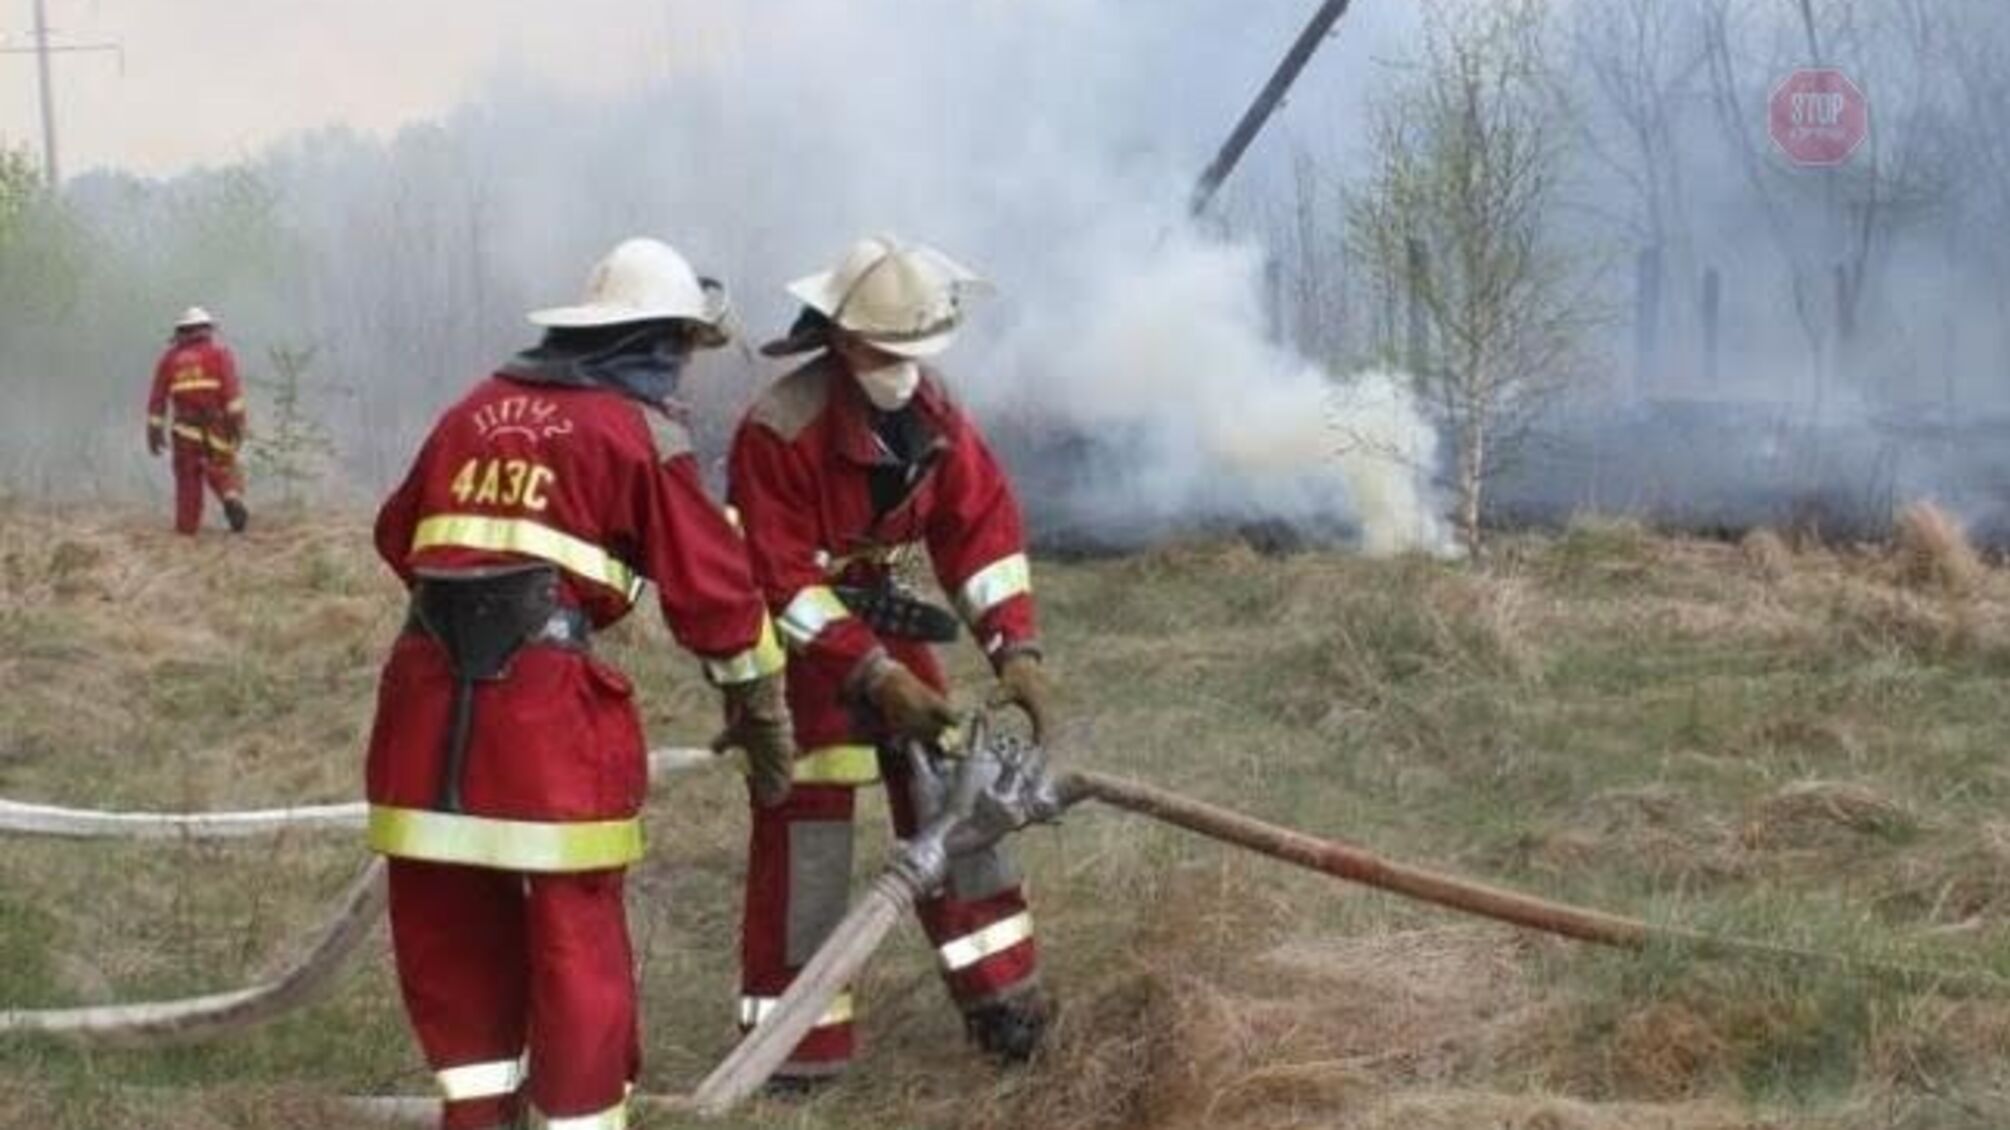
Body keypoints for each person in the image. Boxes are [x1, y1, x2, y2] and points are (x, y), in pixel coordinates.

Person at [363, 237, 794, 1130]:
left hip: (421, 721)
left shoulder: (472, 409)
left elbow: (399, 535)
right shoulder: (639, 434)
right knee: (575, 948)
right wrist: (759, 709)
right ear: (656, 341)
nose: (682, 372)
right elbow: (718, 596)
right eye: (681, 349)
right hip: (545, 730)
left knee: (452, 948)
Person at [726, 234, 1059, 1086]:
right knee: (810, 844)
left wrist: (1011, 643)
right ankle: (799, 1050)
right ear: (840, 341)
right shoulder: (780, 429)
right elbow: (781, 580)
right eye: (887, 352)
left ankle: (1005, 1003)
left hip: (888, 616)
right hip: (802, 645)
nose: (905, 370)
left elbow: (979, 530)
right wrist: (872, 674)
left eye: (917, 352)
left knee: (960, 802)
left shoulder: (934, 413)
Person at [145, 306, 249, 534]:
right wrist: (239, 425)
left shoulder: (169, 360)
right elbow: (232, 394)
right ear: (207, 330)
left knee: (188, 481)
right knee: (222, 468)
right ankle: (231, 498)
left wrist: (154, 431)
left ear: (181, 332)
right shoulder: (220, 354)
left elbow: (157, 399)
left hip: (184, 430)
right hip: (217, 426)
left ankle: (187, 531)